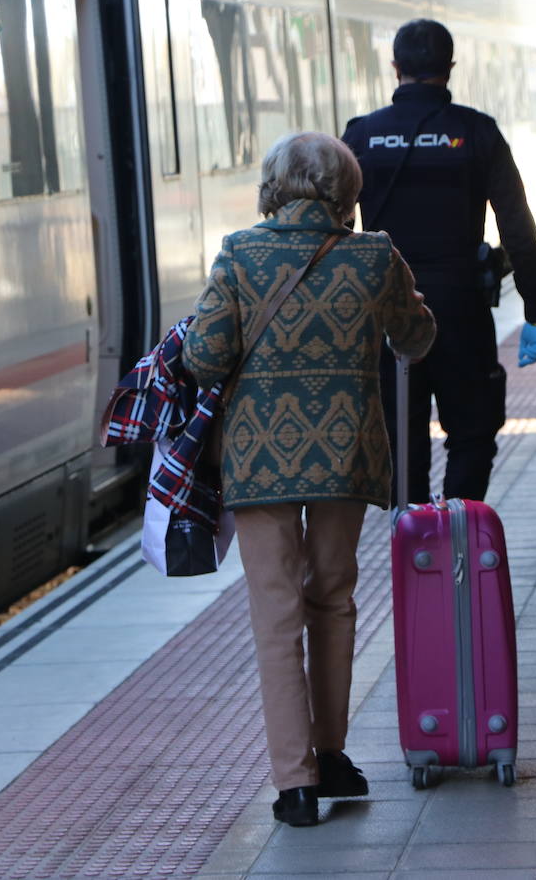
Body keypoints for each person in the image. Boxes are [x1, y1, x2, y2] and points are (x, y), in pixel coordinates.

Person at [183, 132, 435, 827]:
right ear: (346, 193)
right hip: (344, 456)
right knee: (333, 599)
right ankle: (332, 754)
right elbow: (414, 338)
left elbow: (205, 358)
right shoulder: (374, 255)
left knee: (275, 614)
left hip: (259, 461)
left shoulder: (240, 253)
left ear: (273, 187)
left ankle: (295, 784)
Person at [341, 18, 536, 504]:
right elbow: (518, 229)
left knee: (399, 441)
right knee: (473, 434)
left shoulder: (361, 136)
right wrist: (535, 311)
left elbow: (335, 230)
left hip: (387, 316)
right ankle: (458, 528)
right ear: (449, 69)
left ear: (395, 69)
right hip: (461, 311)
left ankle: (412, 539)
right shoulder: (477, 133)